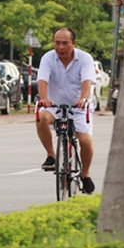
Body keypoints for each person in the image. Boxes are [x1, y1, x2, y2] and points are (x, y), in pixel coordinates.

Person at [35, 27, 97, 194]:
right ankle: (51, 155)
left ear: (73, 43)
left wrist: (83, 99)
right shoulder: (48, 58)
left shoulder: (85, 58)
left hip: (78, 107)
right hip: (54, 106)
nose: (60, 47)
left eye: (65, 43)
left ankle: (85, 174)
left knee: (85, 141)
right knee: (41, 117)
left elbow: (86, 82)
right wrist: (44, 99)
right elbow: (42, 80)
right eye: (57, 43)